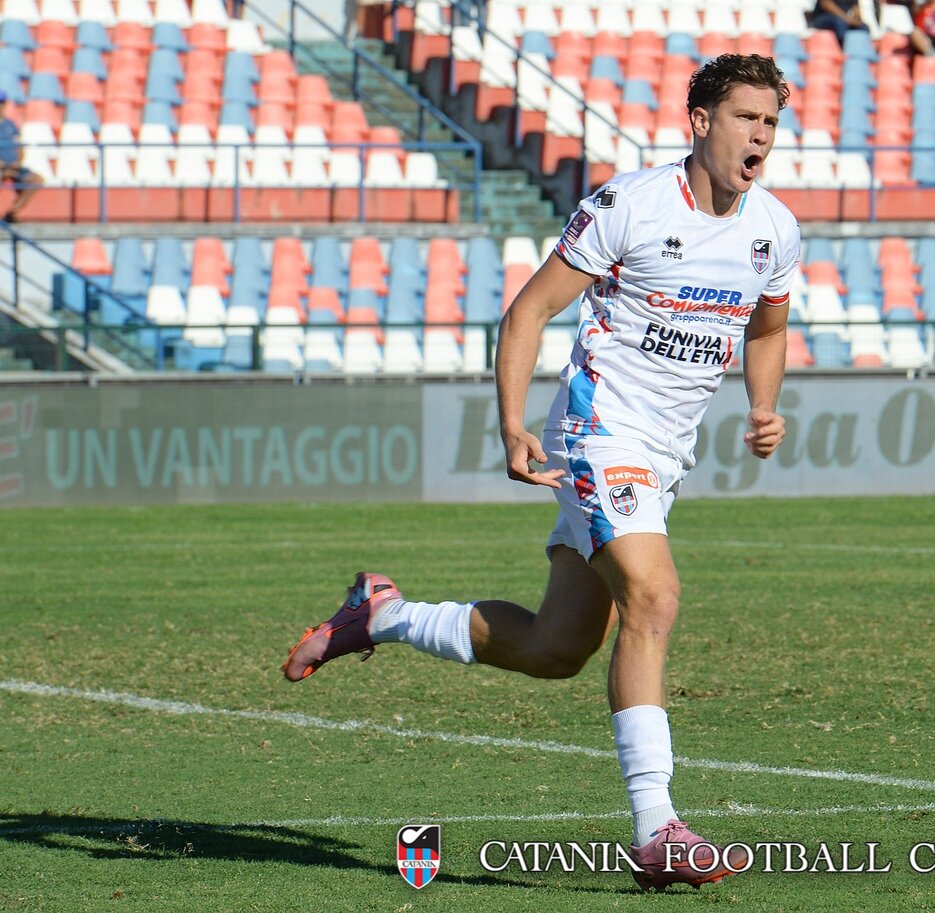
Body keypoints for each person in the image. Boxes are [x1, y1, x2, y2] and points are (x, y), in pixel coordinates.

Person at [282, 54, 801, 893]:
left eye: (771, 123)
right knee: (655, 595)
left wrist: (763, 404)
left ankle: (382, 614)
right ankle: (657, 826)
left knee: (556, 648)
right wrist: (515, 423)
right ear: (701, 121)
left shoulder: (772, 227)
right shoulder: (628, 205)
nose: (761, 138)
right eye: (747, 118)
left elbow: (768, 327)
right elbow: (528, 309)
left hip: (662, 455)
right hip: (600, 432)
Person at [0, 92, 42, 223]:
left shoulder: (10, 125)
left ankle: (12, 213)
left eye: (2, 103)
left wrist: (17, 162)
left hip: (13, 166)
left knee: (35, 180)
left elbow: (19, 146)